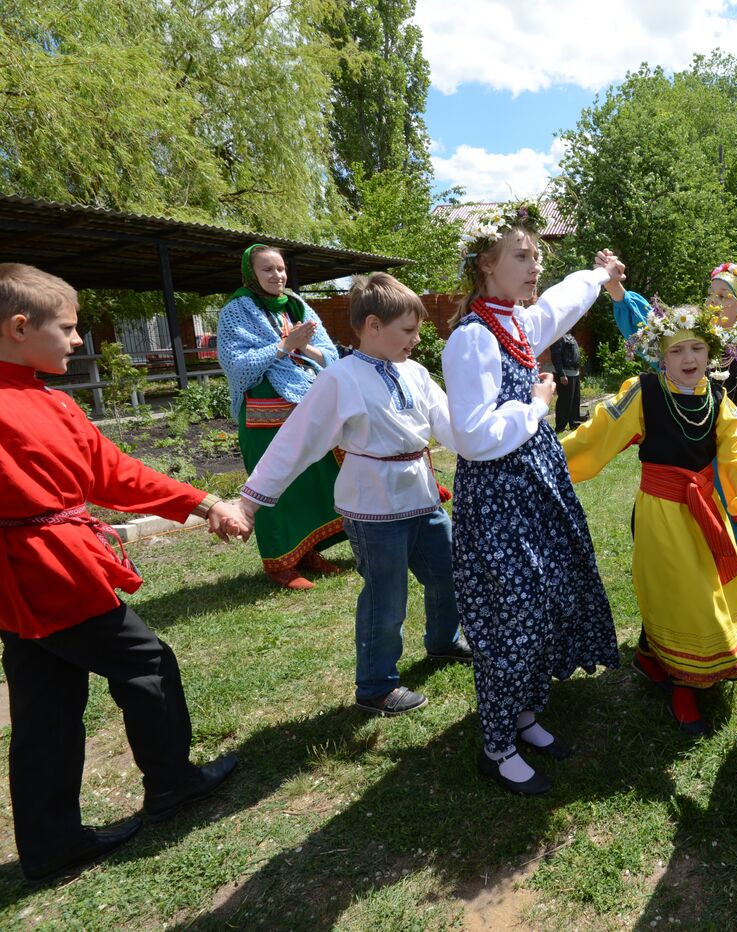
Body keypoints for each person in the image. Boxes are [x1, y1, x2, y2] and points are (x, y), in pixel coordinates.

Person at [0, 264, 247, 883]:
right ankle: (173, 783)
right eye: (69, 328)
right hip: (51, 573)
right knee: (146, 662)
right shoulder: (37, 402)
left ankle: (50, 843)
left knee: (45, 705)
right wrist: (207, 503)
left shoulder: (44, 397)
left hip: (15, 587)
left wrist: (200, 501)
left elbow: (114, 474)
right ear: (20, 327)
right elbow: (115, 476)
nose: (79, 341)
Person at [445, 201, 623, 796]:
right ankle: (495, 747)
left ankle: (524, 714)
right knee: (511, 618)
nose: (535, 264)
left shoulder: (515, 323)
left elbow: (563, 303)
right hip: (498, 496)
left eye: (537, 254)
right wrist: (538, 407)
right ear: (486, 264)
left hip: (532, 486)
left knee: (544, 602)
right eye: (521, 255)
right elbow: (472, 435)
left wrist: (600, 276)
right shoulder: (471, 338)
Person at [236, 272, 470, 717]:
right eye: (407, 330)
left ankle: (443, 640)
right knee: (387, 595)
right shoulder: (340, 378)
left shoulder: (416, 373)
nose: (417, 339)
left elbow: (450, 426)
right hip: (374, 506)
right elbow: (296, 441)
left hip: (420, 496)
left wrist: (493, 450)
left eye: (417, 330)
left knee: (450, 568)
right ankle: (376, 686)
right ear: (372, 326)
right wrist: (249, 501)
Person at [563, 300, 737, 734]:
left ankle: (651, 656)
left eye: (697, 348)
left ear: (711, 352)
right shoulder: (644, 392)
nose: (689, 359)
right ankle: (683, 684)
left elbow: (736, 463)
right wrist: (545, 458)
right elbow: (596, 435)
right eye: (677, 351)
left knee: (705, 589)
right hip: (660, 513)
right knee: (679, 594)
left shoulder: (720, 401)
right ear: (661, 355)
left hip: (705, 511)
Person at [607, 262, 737, 627]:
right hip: (698, 450)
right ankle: (705, 604)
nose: (715, 302)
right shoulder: (695, 341)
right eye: (711, 295)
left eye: (725, 296)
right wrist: (619, 293)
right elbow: (652, 334)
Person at [217, 244, 346, 590]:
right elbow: (236, 366)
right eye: (268, 270)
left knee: (312, 480)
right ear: (251, 274)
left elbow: (330, 355)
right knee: (272, 487)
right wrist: (283, 346)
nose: (278, 276)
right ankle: (281, 564)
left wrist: (305, 347)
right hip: (263, 417)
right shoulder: (235, 311)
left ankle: (309, 552)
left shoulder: (298, 304)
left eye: (281, 269)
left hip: (307, 405)